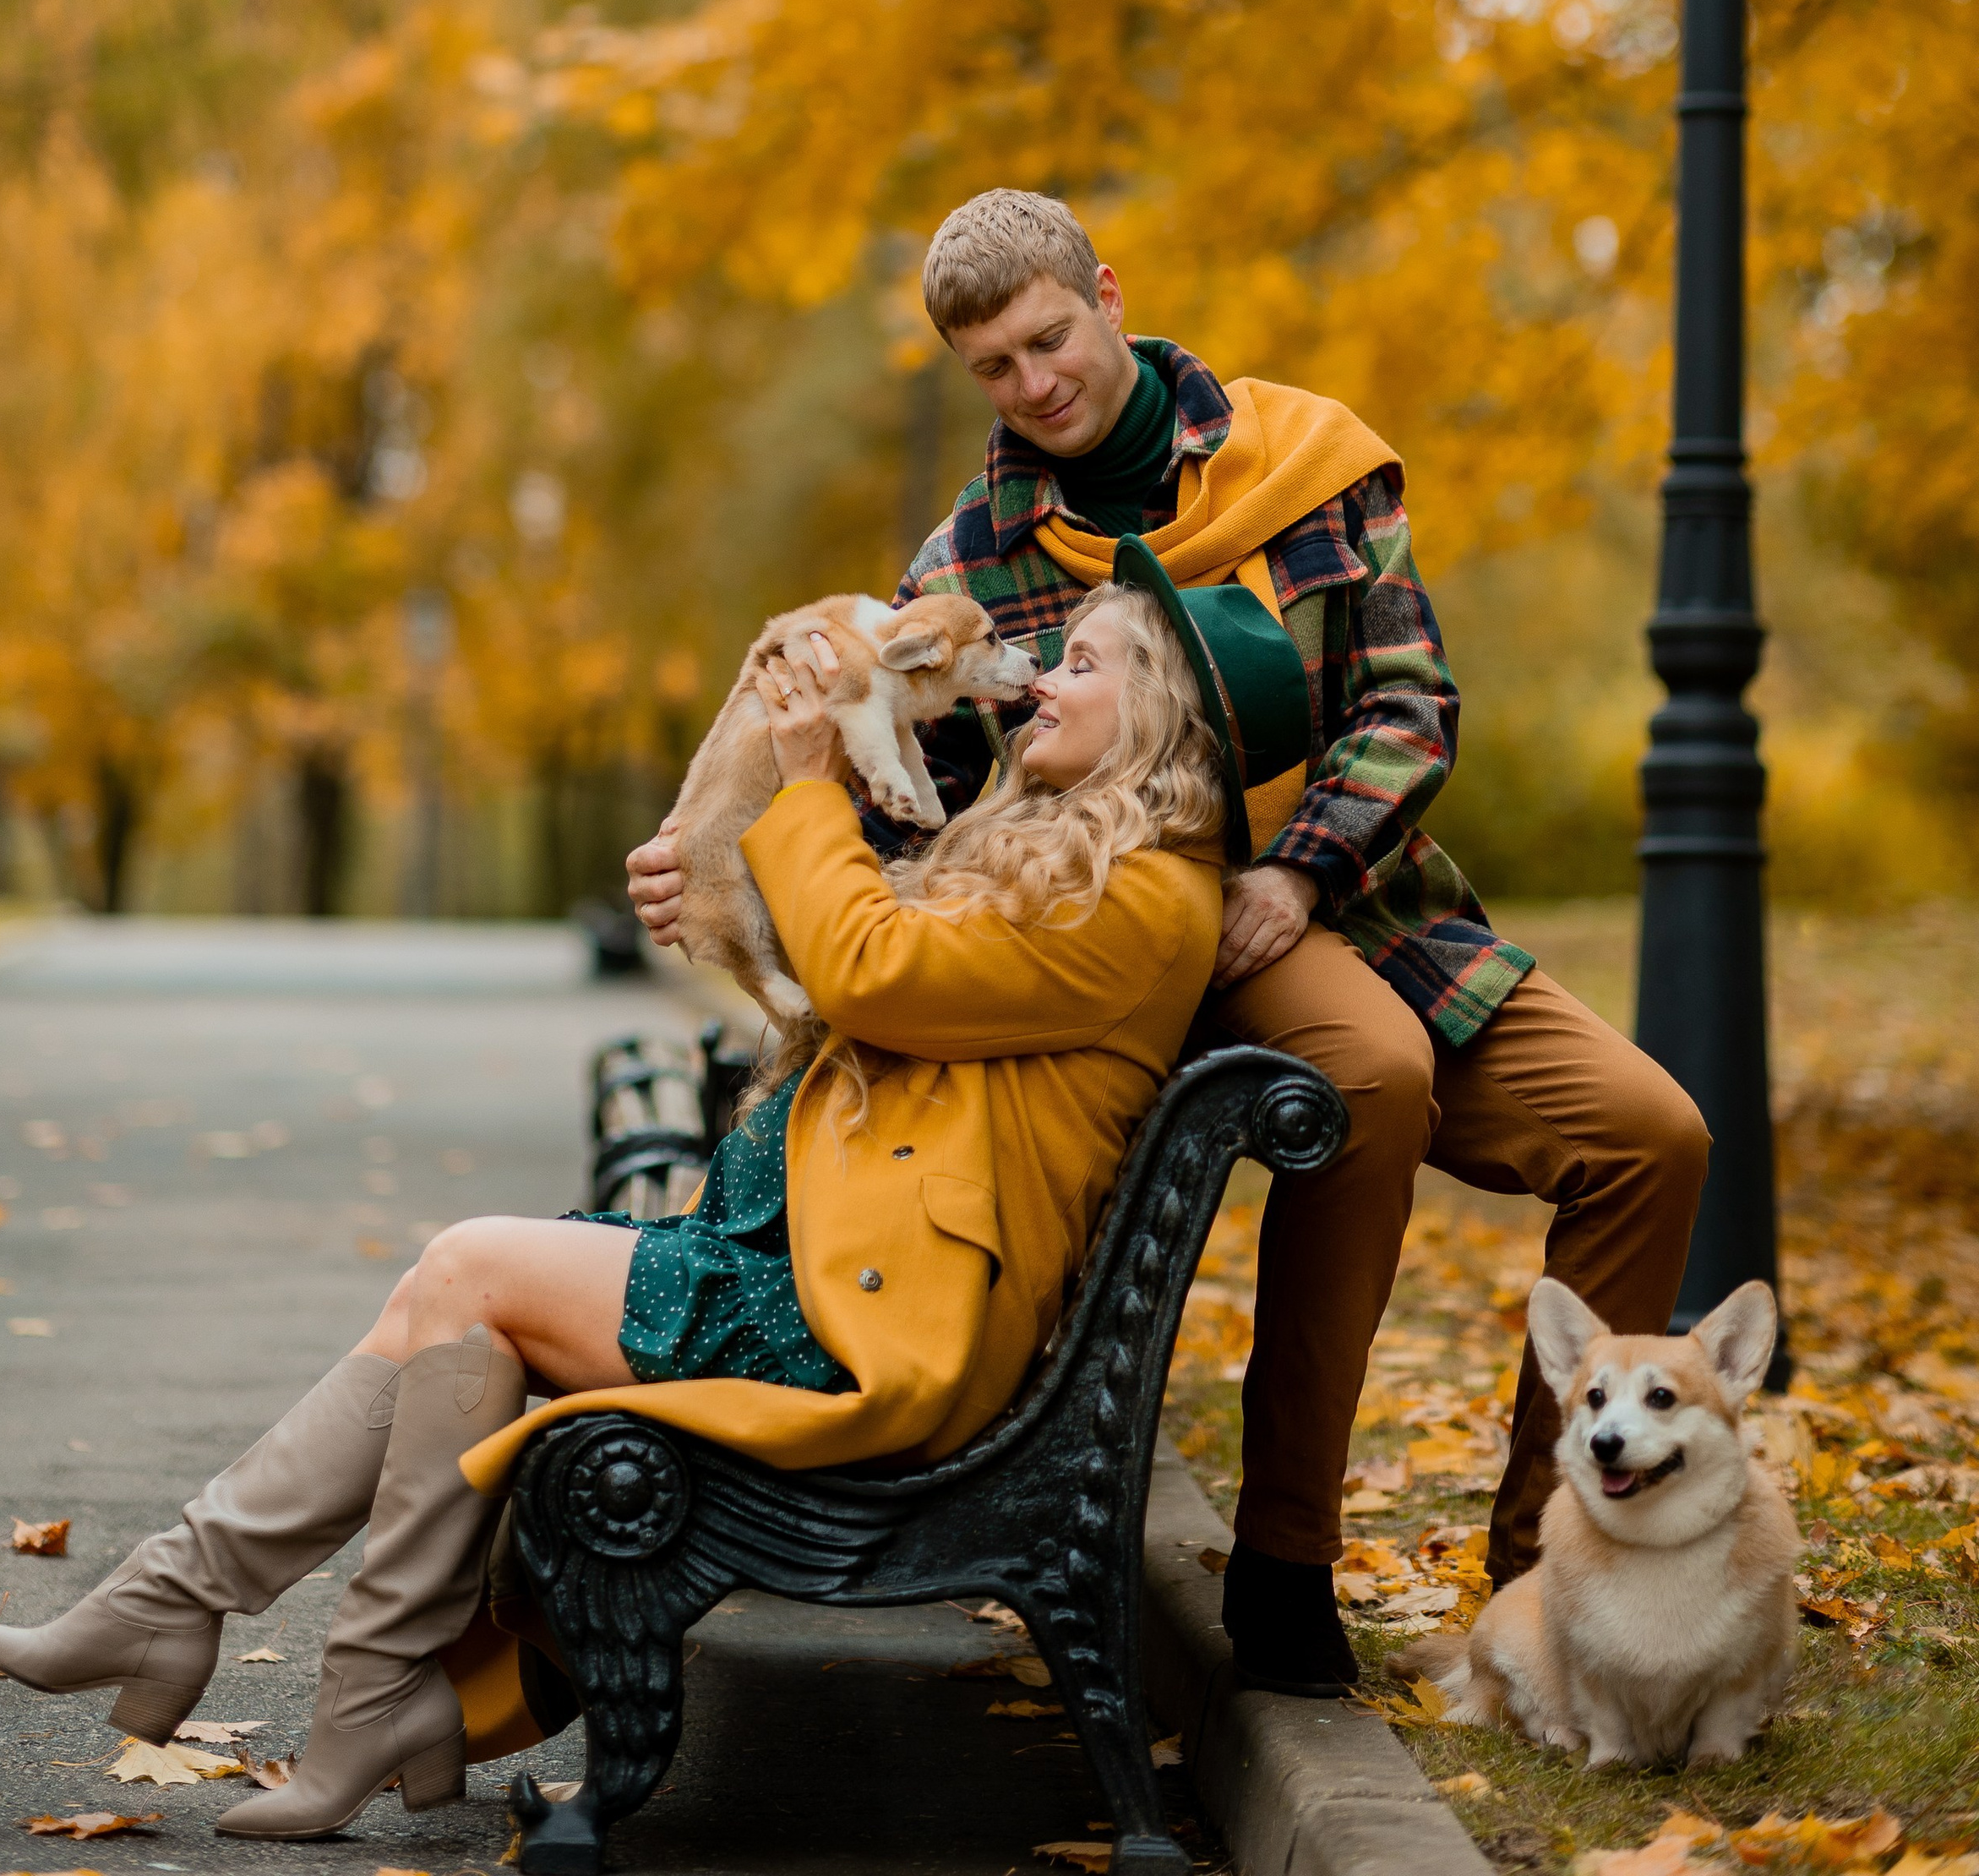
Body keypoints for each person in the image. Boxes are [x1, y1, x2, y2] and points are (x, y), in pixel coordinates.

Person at [0, 567, 1240, 1838]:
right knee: (462, 1303)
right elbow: (870, 990)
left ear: (1166, 717)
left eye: (1084, 663)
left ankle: (222, 1628)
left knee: (468, 1273)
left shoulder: (1139, 896)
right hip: (817, 1276)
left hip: (864, 1327)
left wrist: (805, 791)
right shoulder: (1063, 863)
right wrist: (722, 876)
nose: (1045, 682)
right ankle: (307, 1673)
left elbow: (873, 976)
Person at [628, 187, 1711, 1698]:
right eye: (994, 367)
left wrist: (1309, 872)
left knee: (1650, 1133)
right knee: (1373, 1078)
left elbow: (1406, 709)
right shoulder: (976, 555)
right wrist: (721, 873)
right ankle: (1285, 1559)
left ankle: (1548, 1571)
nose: (1034, 384)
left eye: (1049, 339)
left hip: (1367, 903)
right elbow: (903, 801)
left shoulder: (1308, 459)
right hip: (1120, 922)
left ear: (1109, 297)